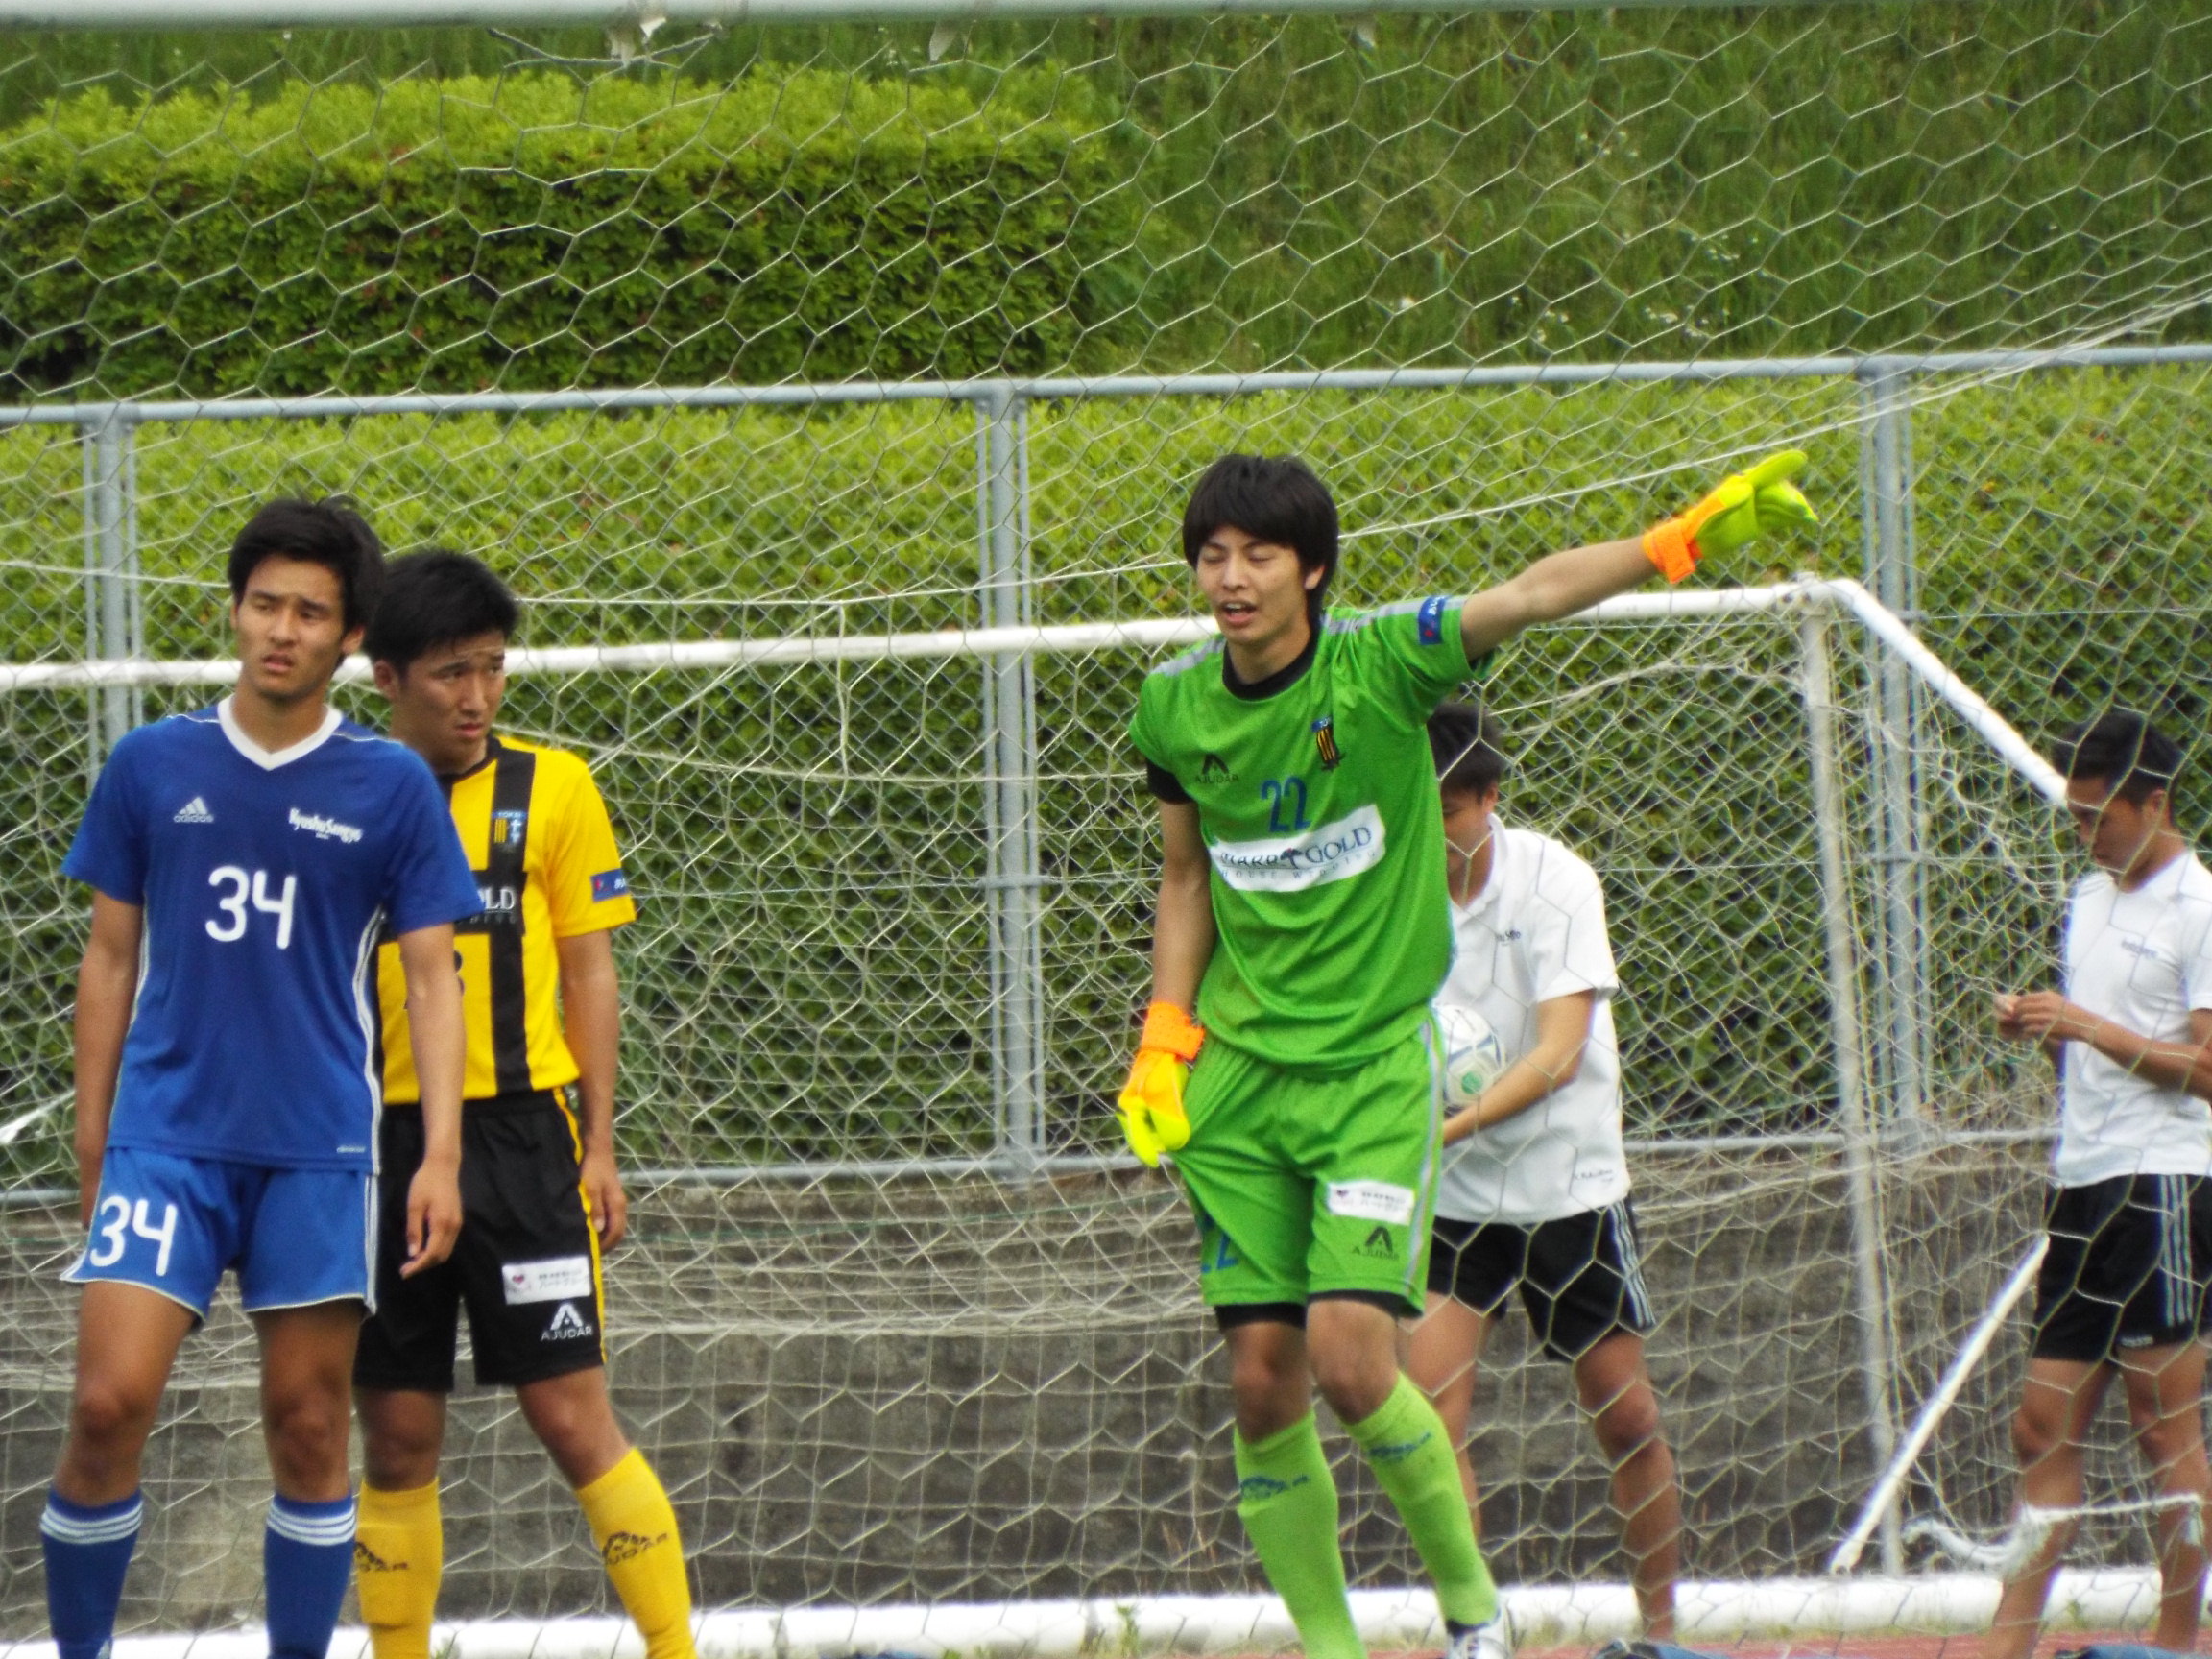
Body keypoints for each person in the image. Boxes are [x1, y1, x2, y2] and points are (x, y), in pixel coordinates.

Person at [1117, 450, 1814, 1659]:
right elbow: (1185, 877)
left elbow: (1531, 594)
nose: (1230, 578)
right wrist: (1164, 1037)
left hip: (1371, 1079)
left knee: (1352, 1362)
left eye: (1258, 556)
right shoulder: (1174, 708)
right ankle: (1332, 1649)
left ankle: (1475, 1620)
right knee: (1262, 1378)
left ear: (1311, 571)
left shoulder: (1379, 666)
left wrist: (1670, 544)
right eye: (1212, 556)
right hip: (1237, 1084)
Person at [44, 499, 477, 1659]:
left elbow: (433, 982)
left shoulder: (390, 786)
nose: (283, 631)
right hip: (164, 1143)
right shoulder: (151, 763)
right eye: (265, 605)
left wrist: (439, 1156)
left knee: (307, 1428)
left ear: (350, 637)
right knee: (105, 1405)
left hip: (318, 1152)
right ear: (233, 612)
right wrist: (94, 1139)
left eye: (311, 613)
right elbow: (110, 957)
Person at [351, 550, 696, 1659]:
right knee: (397, 1437)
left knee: (572, 1418)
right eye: (451, 672)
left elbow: (590, 971)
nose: (478, 696)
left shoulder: (554, 787)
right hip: (378, 1147)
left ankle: (677, 1650)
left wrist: (600, 1145)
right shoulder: (341, 793)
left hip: (523, 1141)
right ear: (386, 676)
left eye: (493, 668)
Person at [1405, 702, 1681, 1639]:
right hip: (1459, 1201)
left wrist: (1444, 1130)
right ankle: (1475, 1631)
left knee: (1627, 1421)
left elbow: (1559, 1053)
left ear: (1487, 797)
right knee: (1427, 1421)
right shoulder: (1394, 892)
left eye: (1444, 808)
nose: (1428, 828)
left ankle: (1660, 1633)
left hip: (1569, 1190)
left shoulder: (1556, 880)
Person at [1985, 710, 2212, 1659]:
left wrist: (2087, 1025)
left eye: (2098, 817)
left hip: (2165, 1188)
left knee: (2162, 1429)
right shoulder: (2087, 896)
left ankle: (2177, 1644)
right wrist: (2046, 1029)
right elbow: (2094, 1049)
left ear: (2153, 804)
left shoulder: (2200, 906)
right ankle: (2006, 1646)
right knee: (2039, 1425)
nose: (2085, 835)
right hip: (2082, 1187)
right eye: (2075, 818)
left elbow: (2207, 1069)